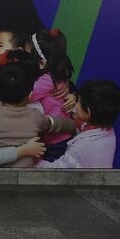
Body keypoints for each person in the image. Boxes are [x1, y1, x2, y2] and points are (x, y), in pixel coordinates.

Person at [0, 60, 76, 167]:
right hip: (24, 175)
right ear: (30, 95)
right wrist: (73, 125)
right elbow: (58, 124)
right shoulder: (35, 117)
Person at [37, 80, 120, 169]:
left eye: (78, 101)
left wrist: (33, 158)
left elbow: (54, 171)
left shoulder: (82, 148)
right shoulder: (107, 131)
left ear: (87, 113)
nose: (75, 103)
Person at [25, 29, 76, 160]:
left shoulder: (46, 81)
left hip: (56, 139)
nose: (23, 59)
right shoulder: (57, 73)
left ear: (42, 63)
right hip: (60, 134)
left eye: (26, 56)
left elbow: (24, 95)